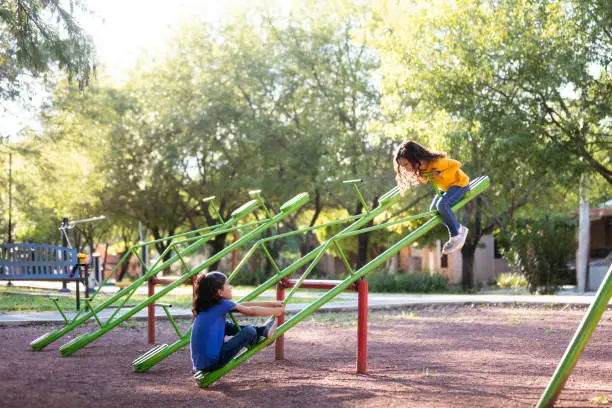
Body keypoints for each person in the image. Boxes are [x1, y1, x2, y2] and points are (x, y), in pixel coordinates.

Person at [190, 271, 284, 373]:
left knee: (226, 326)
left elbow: (242, 305)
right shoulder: (222, 304)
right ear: (220, 292)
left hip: (201, 365)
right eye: (227, 285)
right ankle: (259, 335)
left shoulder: (210, 305)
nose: (230, 287)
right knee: (249, 331)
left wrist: (272, 304)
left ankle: (262, 331)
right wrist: (275, 311)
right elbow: (251, 311)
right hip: (213, 362)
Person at [394, 140, 470, 254]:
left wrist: (441, 174)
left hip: (459, 184)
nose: (405, 168)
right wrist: (424, 176)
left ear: (414, 158)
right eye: (402, 166)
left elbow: (456, 164)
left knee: (442, 205)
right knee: (433, 210)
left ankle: (455, 236)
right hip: (446, 188)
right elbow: (426, 179)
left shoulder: (437, 162)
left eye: (405, 164)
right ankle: (458, 228)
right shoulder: (422, 168)